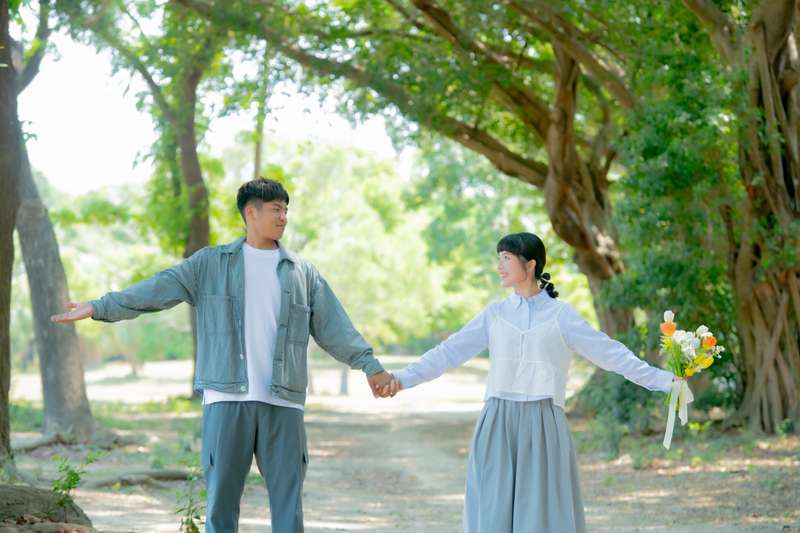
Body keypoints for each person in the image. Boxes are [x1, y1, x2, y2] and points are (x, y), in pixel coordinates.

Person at [51, 177, 394, 533]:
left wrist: (370, 365)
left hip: (284, 403)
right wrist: (99, 306)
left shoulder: (303, 273)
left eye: (286, 211)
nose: (283, 217)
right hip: (226, 399)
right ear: (251, 213)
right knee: (221, 508)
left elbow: (335, 327)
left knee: (289, 510)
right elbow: (155, 289)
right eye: (276, 209)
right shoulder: (209, 264)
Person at [378, 232, 680, 533]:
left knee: (542, 516)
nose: (499, 266)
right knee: (492, 511)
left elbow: (611, 354)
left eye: (506, 258)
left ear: (531, 264)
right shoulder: (494, 315)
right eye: (499, 258)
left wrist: (665, 380)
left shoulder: (561, 316)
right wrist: (401, 379)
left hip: (543, 423)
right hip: (497, 422)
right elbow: (448, 352)